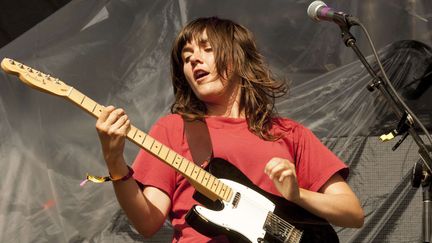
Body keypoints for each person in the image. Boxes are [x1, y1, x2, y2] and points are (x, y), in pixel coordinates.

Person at [95, 17, 364, 242]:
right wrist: (115, 162)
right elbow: (147, 221)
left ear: (237, 56)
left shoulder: (289, 132)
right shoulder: (173, 129)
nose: (193, 61)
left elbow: (352, 213)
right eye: (186, 57)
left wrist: (296, 195)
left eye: (206, 49)